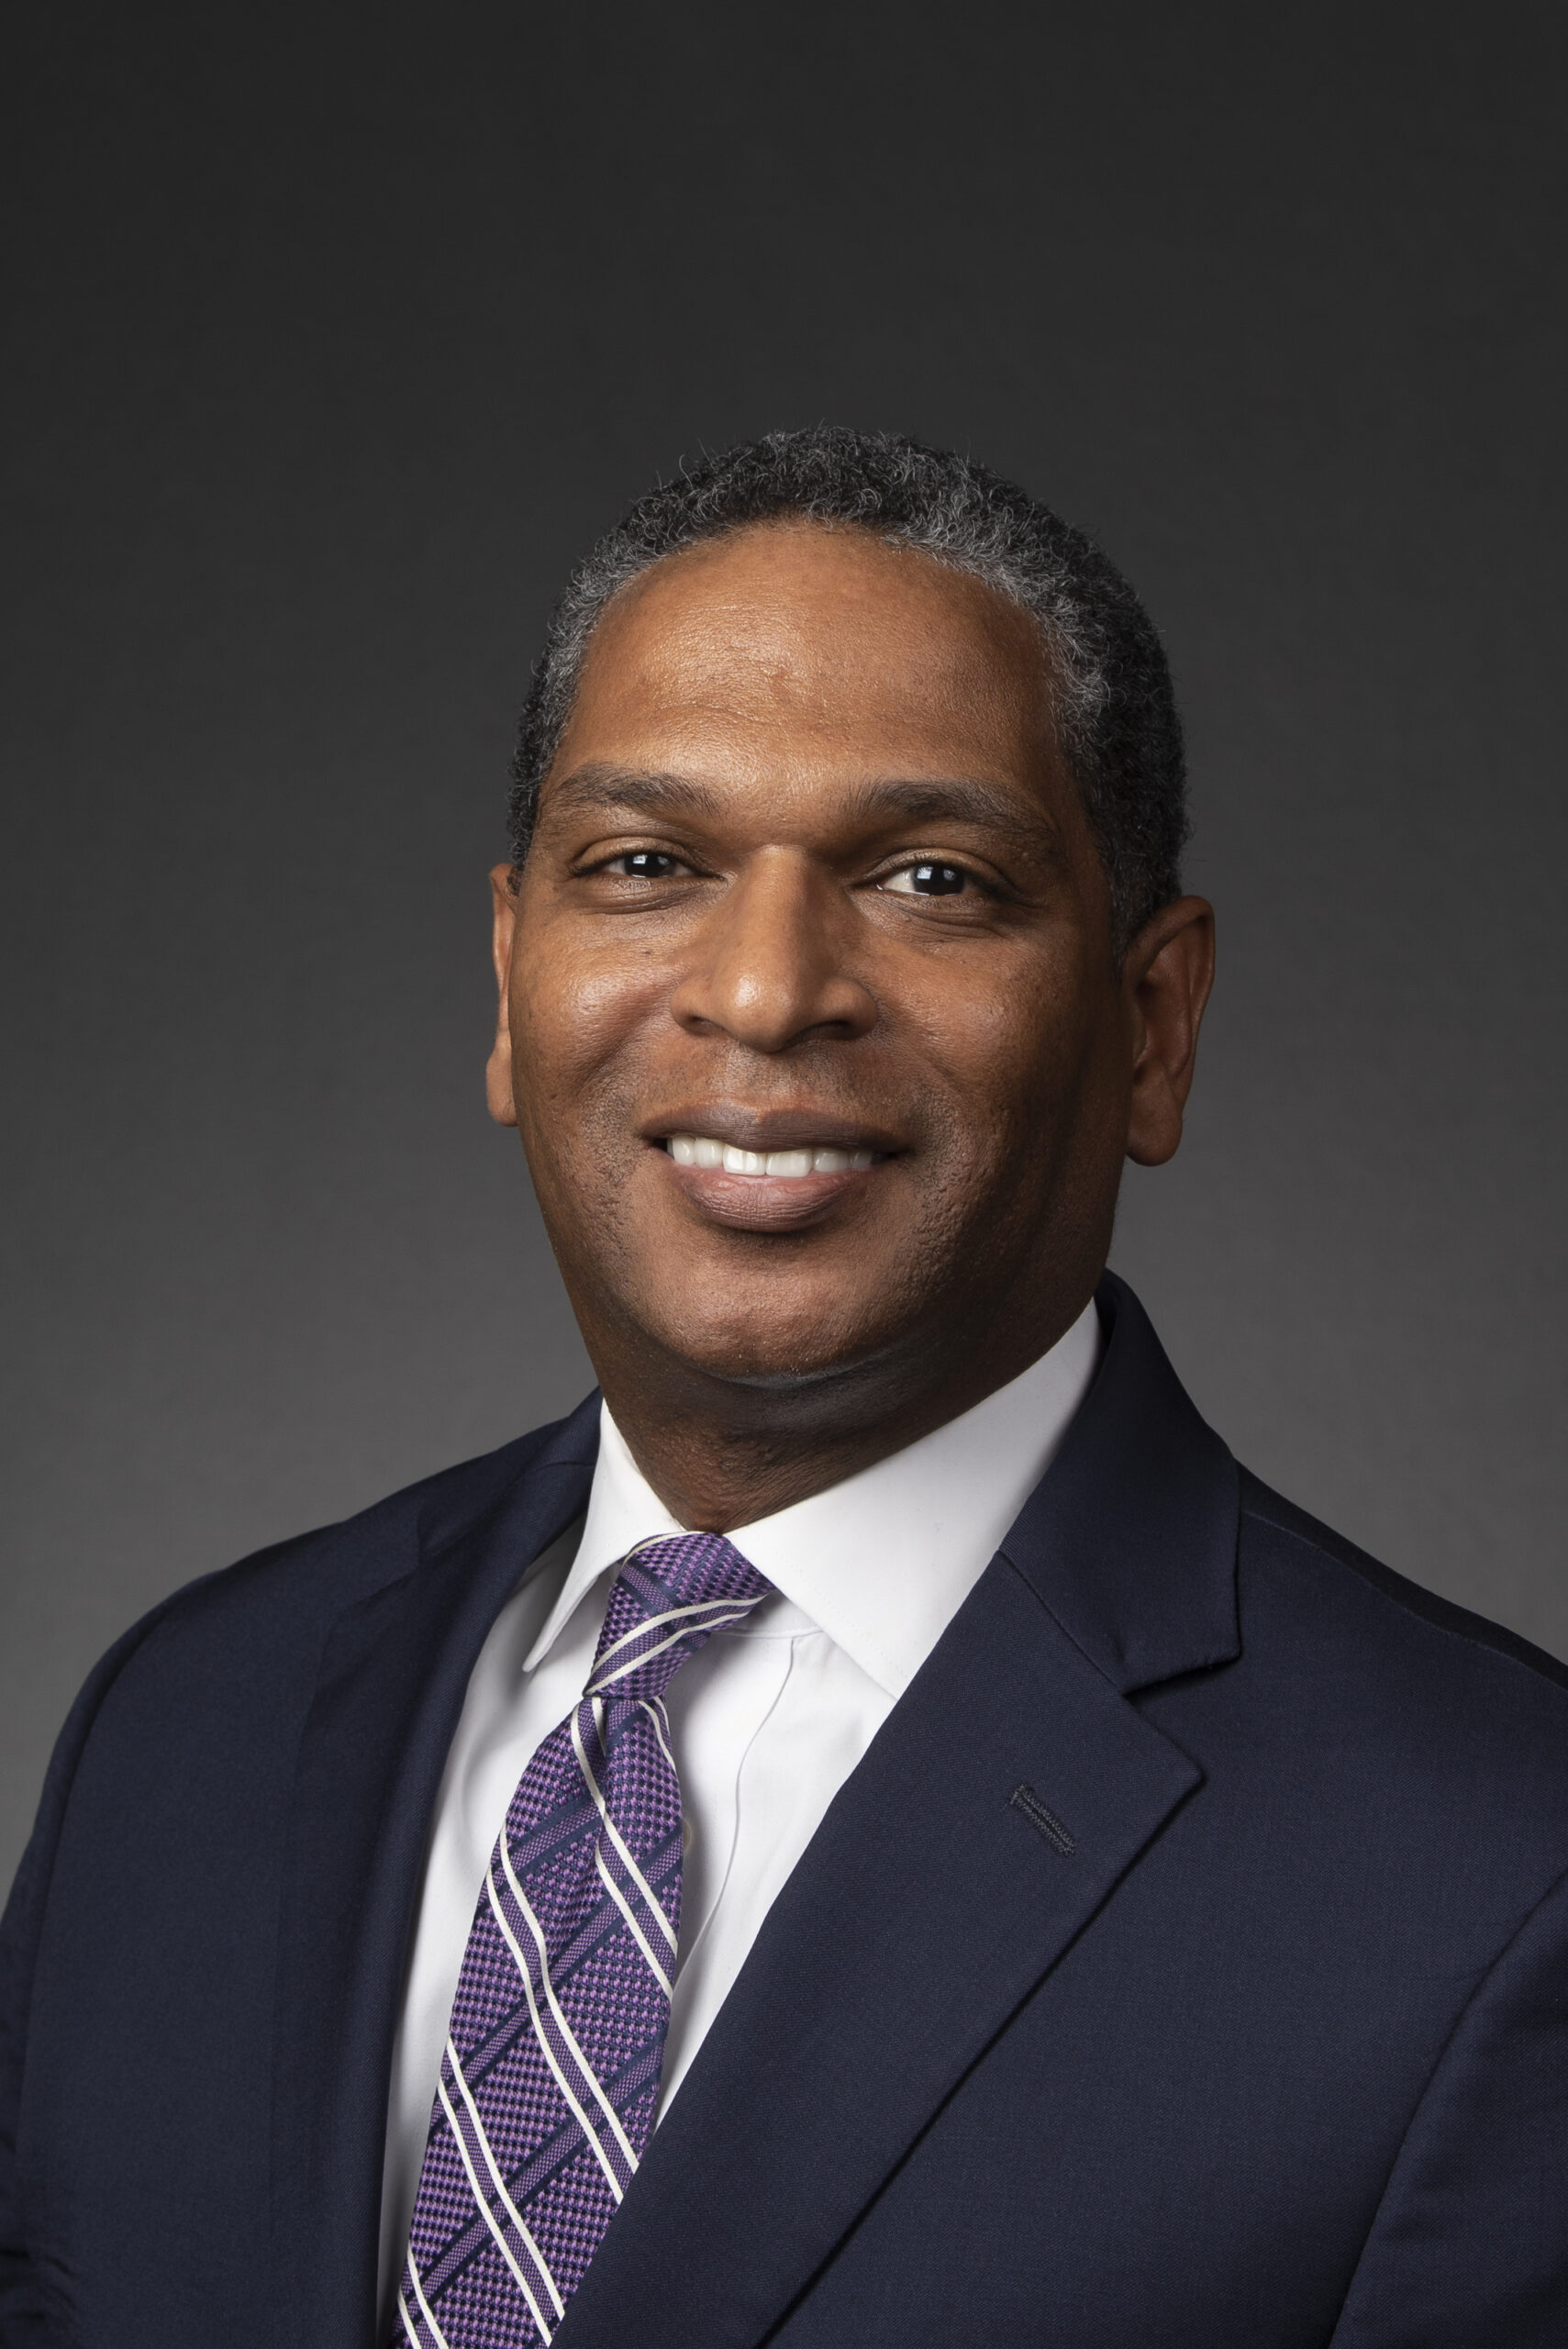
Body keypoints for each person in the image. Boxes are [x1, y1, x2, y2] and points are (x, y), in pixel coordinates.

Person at [2, 428, 1564, 2349]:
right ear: (511, 977)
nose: (760, 989)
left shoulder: (1500, 1876)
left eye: (930, 876)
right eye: (647, 862)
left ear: (1153, 1024)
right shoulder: (189, 1728)